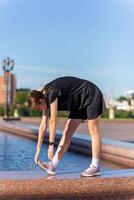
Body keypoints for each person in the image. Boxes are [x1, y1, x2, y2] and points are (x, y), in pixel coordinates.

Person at [27, 76, 106, 176]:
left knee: (93, 130)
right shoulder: (44, 99)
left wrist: (51, 145)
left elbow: (53, 121)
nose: (39, 110)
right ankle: (53, 166)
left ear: (41, 101)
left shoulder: (51, 93)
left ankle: (95, 166)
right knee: (67, 132)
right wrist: (37, 151)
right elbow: (43, 125)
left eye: (38, 108)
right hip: (78, 103)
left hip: (91, 94)